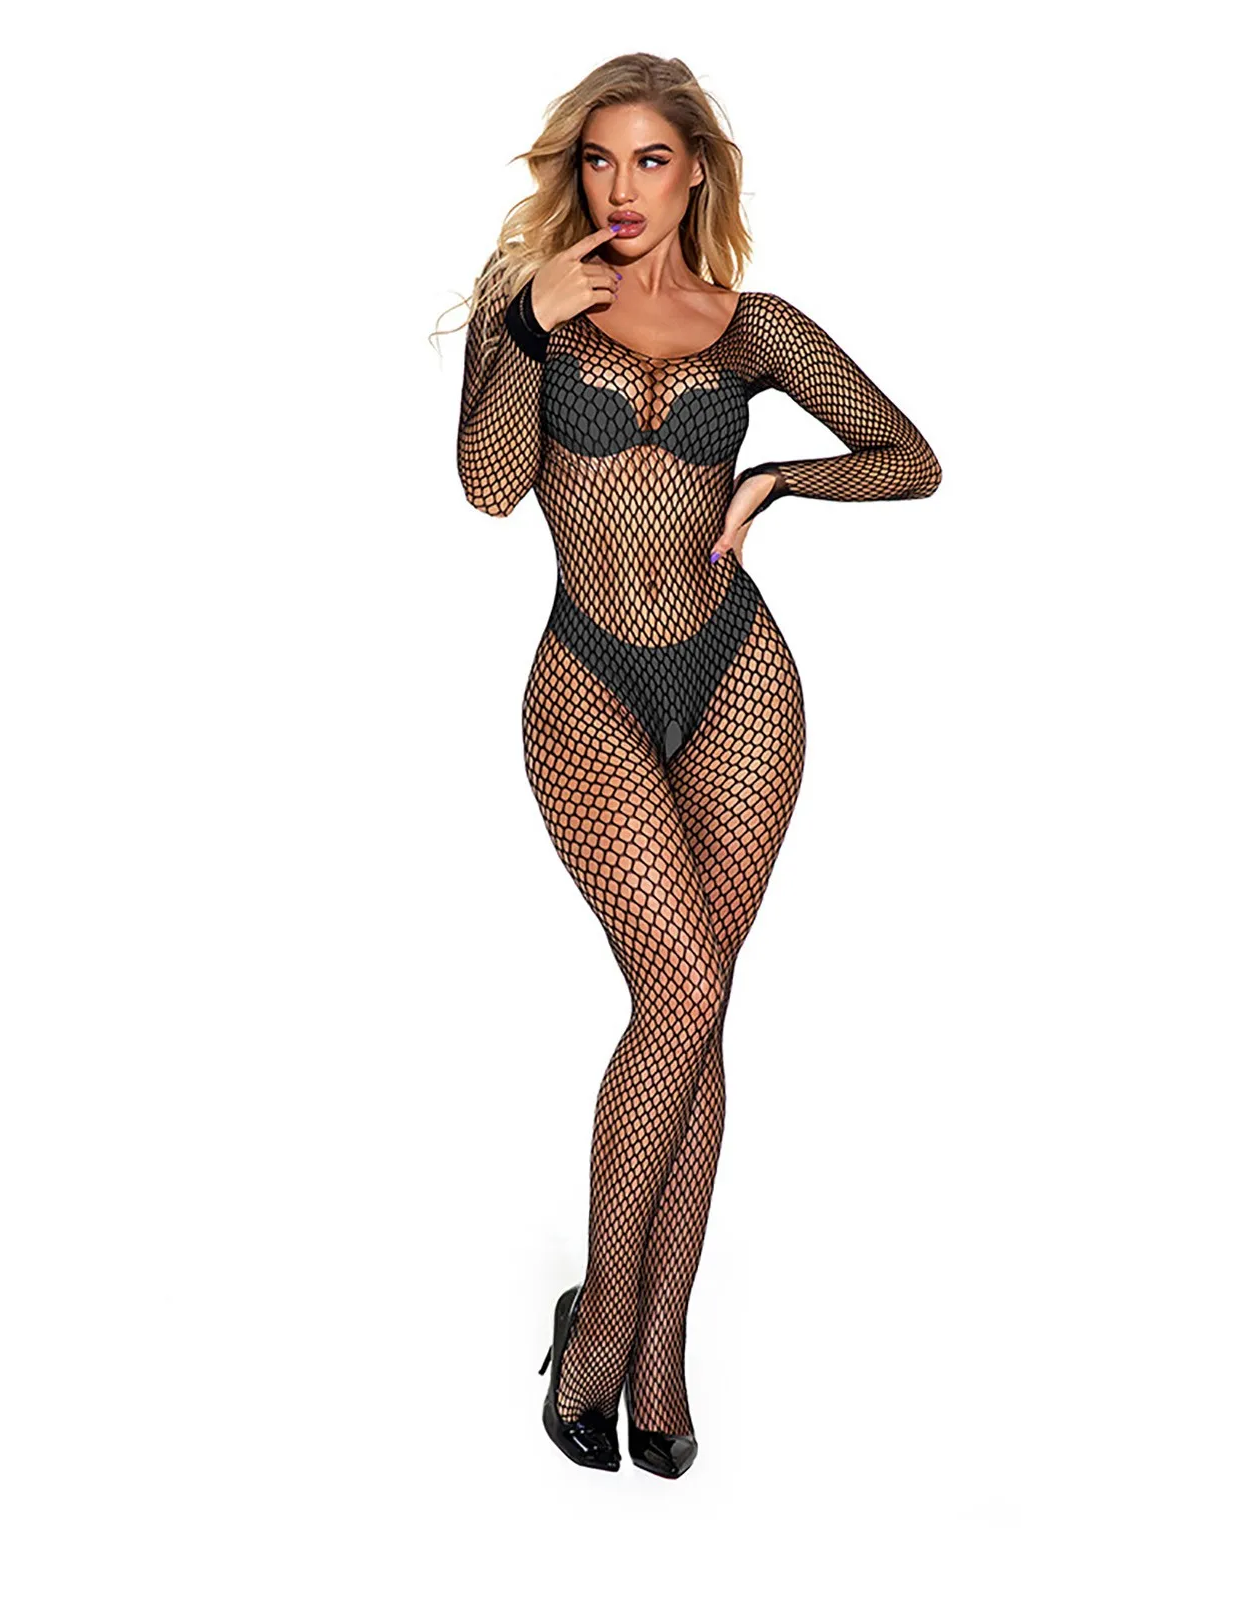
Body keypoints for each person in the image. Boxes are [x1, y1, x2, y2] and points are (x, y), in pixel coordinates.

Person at [450, 53, 941, 1478]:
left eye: (649, 160)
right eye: (598, 160)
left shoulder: (753, 326)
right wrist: (527, 330)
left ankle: (655, 1343)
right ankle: (601, 1324)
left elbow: (910, 458)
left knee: (700, 1003)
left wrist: (777, 478)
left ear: (696, 174)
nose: (620, 188)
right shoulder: (524, 304)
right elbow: (487, 487)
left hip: (738, 675)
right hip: (588, 679)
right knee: (680, 991)